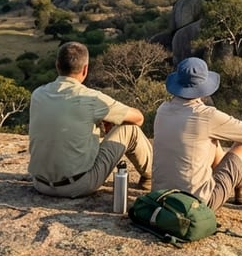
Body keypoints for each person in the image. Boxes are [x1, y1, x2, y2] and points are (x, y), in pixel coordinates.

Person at [153, 57, 242, 215]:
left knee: (211, 140)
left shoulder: (162, 109)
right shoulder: (206, 115)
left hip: (161, 197)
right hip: (196, 203)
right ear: (204, 87)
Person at [28, 41, 153, 198]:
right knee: (131, 129)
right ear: (85, 69)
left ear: (57, 65)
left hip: (40, 184)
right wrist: (112, 119)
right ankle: (149, 178)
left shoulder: (37, 94)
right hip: (78, 186)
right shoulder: (91, 98)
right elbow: (138, 118)